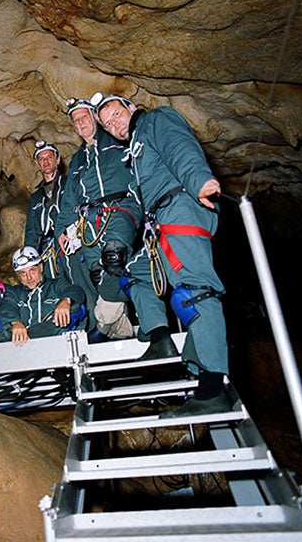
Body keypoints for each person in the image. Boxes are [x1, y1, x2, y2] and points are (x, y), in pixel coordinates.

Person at [97, 94, 229, 417]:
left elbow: (178, 147)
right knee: (135, 275)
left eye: (115, 114)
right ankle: (159, 339)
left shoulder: (156, 121)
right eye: (108, 124)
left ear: (129, 106)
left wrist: (199, 180)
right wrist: (117, 242)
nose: (114, 125)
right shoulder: (135, 156)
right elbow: (130, 202)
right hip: (159, 227)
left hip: (180, 209)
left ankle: (213, 387)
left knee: (194, 292)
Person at [53, 97, 138, 341]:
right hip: (90, 223)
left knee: (118, 262)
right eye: (76, 120)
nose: (80, 123)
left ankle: (104, 326)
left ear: (95, 118)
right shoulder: (78, 160)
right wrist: (61, 228)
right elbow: (69, 201)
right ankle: (122, 330)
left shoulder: (115, 139)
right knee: (100, 277)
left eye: (84, 117)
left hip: (120, 210)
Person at [0, 246, 87, 346]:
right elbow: (7, 306)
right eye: (23, 273)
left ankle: (24, 338)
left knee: (77, 309)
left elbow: (76, 290)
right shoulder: (14, 291)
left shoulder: (55, 285)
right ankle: (20, 339)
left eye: (32, 270)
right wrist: (15, 322)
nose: (29, 277)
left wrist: (66, 300)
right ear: (18, 276)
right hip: (20, 341)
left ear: (40, 267)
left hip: (49, 340)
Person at [24, 140, 67, 280]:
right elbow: (32, 230)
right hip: (47, 249)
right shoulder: (35, 197)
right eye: (41, 159)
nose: (46, 162)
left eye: (49, 157)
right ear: (37, 165)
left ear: (57, 160)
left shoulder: (70, 183)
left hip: (70, 243)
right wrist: (29, 257)